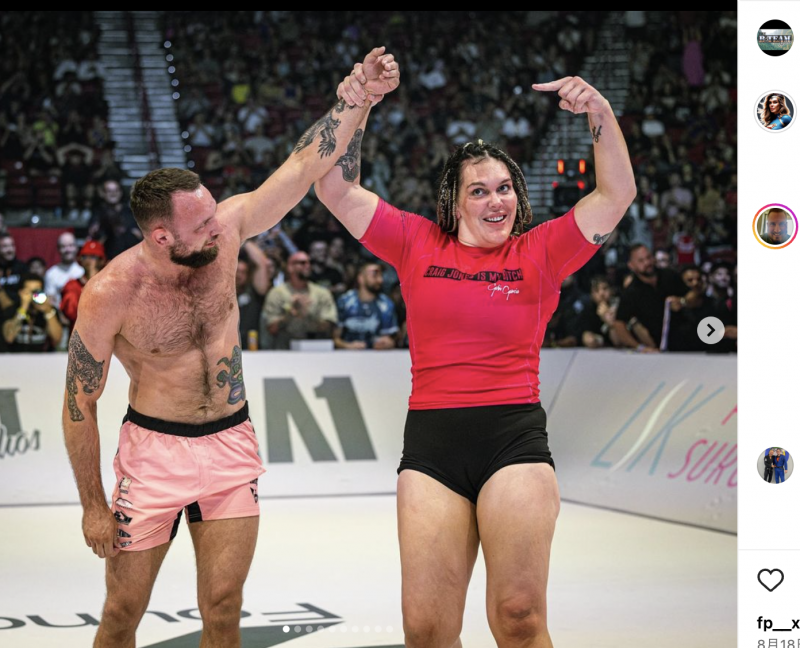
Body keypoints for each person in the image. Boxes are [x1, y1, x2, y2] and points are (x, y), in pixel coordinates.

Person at [61, 47, 398, 648]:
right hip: (154, 454)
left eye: (214, 215)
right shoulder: (111, 293)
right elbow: (78, 403)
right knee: (121, 613)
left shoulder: (228, 228)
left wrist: (359, 98)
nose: (217, 227)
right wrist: (91, 505)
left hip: (230, 442)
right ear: (161, 236)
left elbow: (303, 164)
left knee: (223, 607)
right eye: (201, 226)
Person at [318, 68, 634, 647]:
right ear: (455, 201)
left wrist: (600, 112)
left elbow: (615, 196)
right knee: (426, 629)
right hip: (432, 445)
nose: (496, 201)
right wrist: (359, 104)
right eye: (479, 191)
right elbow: (335, 190)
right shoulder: (416, 242)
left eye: (505, 188)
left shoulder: (542, 250)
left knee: (518, 616)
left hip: (513, 439)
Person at [614, 244, 687, 351]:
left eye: (649, 257)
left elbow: (692, 295)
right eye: (641, 260)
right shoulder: (631, 292)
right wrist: (640, 347)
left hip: (686, 341)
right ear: (631, 265)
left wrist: (683, 301)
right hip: (657, 348)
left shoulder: (670, 276)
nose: (647, 263)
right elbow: (619, 323)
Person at [261, 251, 338, 349]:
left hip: (316, 350)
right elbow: (271, 329)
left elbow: (330, 327)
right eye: (302, 263)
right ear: (290, 267)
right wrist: (290, 313)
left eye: (309, 263)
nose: (307, 266)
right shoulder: (277, 293)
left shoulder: (322, 293)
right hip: (284, 351)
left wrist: (307, 315)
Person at [334, 262, 398, 349]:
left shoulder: (386, 304)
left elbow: (391, 338)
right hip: (347, 354)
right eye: (374, 275)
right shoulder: (345, 302)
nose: (380, 280)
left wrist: (388, 343)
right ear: (361, 278)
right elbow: (335, 339)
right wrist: (348, 346)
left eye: (381, 275)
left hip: (377, 354)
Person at [1, 272, 63, 352]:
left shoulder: (50, 311)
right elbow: (9, 337)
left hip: (43, 358)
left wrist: (48, 312)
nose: (33, 295)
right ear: (21, 292)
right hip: (15, 357)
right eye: (29, 292)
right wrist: (23, 309)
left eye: (37, 292)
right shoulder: (12, 310)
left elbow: (57, 340)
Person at [60, 240, 106, 335]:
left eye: (93, 257)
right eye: (85, 256)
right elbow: (71, 313)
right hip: (79, 338)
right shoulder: (72, 285)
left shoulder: (110, 284)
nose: (88, 260)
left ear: (101, 260)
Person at [44, 232, 84, 308]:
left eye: (71, 245)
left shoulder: (83, 271)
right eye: (63, 246)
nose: (67, 249)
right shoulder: (51, 273)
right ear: (58, 249)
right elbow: (50, 300)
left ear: (76, 247)